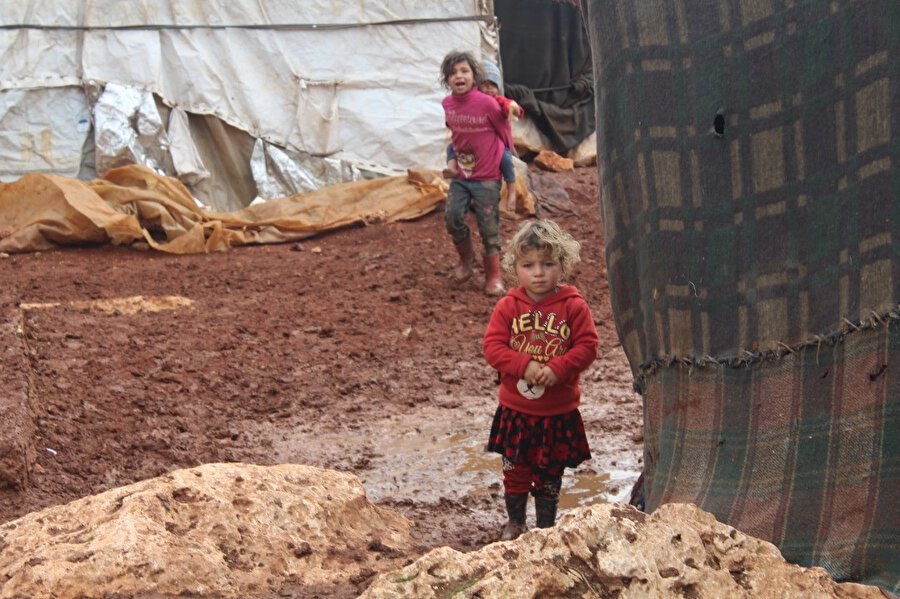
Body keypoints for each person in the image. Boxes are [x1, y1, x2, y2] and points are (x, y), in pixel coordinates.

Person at [482, 219, 599, 540]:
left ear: (563, 264)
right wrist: (522, 364)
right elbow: (492, 347)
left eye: (548, 264)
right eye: (528, 265)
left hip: (557, 413)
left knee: (549, 475)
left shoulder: (573, 306)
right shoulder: (508, 306)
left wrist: (559, 368)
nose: (538, 272)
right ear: (514, 267)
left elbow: (588, 347)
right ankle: (516, 522)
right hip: (516, 412)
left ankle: (546, 527)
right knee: (515, 470)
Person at [440, 51, 516, 296]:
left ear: (474, 77)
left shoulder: (486, 103)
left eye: (464, 71)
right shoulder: (447, 104)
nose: (458, 76)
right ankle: (466, 259)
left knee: (488, 227)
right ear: (447, 79)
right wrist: (452, 163)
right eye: (453, 73)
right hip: (462, 177)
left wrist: (507, 153)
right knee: (451, 217)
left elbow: (502, 124)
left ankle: (493, 276)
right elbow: (455, 137)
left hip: (487, 177)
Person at [444, 60, 523, 214]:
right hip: (473, 143)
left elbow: (511, 106)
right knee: (451, 148)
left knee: (506, 159)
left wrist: (515, 111)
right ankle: (451, 170)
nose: (489, 88)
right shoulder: (470, 100)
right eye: (485, 83)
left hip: (495, 141)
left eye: (493, 85)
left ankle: (512, 191)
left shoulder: (498, 100)